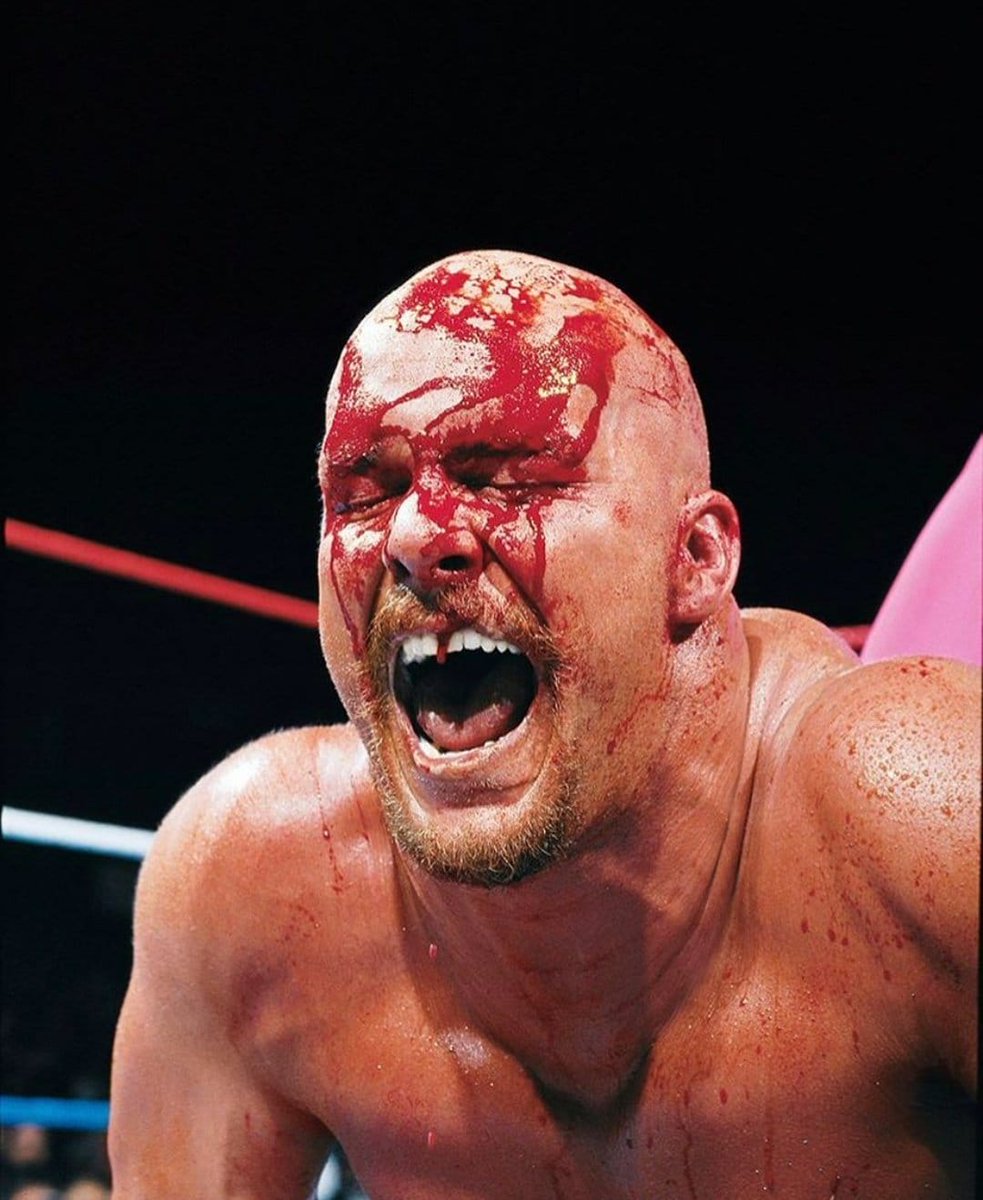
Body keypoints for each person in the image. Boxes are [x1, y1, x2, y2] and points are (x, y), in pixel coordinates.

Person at [108, 250, 980, 1198]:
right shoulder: (256, 894)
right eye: (365, 493)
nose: (413, 535)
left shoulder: (919, 813)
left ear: (693, 559)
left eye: (508, 478)